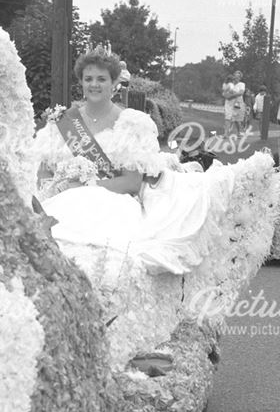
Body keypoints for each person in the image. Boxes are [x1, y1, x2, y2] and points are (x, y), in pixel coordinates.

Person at [32, 46, 236, 275]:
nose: (94, 85)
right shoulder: (64, 121)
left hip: (112, 202)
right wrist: (59, 186)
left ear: (114, 83)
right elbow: (44, 172)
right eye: (88, 79)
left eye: (102, 79)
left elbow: (131, 182)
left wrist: (85, 186)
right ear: (80, 82)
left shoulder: (131, 123)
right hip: (64, 199)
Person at [221, 70, 246, 137]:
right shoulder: (230, 84)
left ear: (240, 78)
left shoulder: (241, 84)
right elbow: (224, 93)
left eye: (238, 77)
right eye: (235, 76)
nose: (236, 78)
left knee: (236, 120)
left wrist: (231, 96)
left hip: (237, 104)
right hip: (229, 103)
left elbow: (241, 93)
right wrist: (226, 95)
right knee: (227, 118)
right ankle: (226, 134)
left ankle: (239, 132)